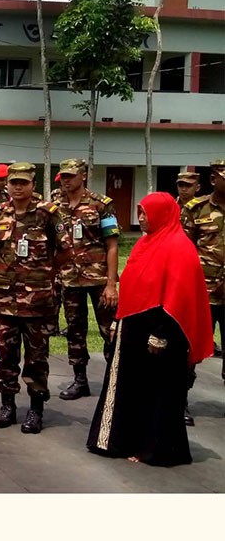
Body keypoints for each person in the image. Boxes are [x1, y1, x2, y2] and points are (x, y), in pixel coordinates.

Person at [87, 192, 213, 466]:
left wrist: (161, 334)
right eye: (140, 213)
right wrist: (120, 323)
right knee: (133, 388)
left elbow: (179, 297)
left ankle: (155, 449)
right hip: (134, 328)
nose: (141, 219)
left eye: (146, 214)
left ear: (163, 214)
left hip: (162, 333)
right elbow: (135, 285)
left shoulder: (179, 247)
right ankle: (123, 441)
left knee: (160, 392)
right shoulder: (146, 243)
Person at [0, 162, 62, 434]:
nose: (17, 187)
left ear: (33, 184)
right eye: (13, 182)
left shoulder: (48, 214)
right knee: (6, 355)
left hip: (39, 301)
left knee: (37, 358)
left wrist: (48, 278)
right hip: (4, 298)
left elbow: (65, 251)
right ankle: (7, 406)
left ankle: (36, 409)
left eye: (23, 182)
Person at [53, 158, 120, 400]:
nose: (66, 180)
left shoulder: (102, 204)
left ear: (83, 176)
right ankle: (79, 380)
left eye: (71, 175)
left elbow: (112, 245)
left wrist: (111, 285)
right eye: (63, 176)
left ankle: (115, 381)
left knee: (110, 331)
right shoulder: (54, 205)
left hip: (99, 279)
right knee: (75, 331)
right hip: (69, 280)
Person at [181, 158, 225, 395]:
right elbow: (184, 252)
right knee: (190, 350)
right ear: (213, 179)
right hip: (202, 293)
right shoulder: (195, 209)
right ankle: (180, 401)